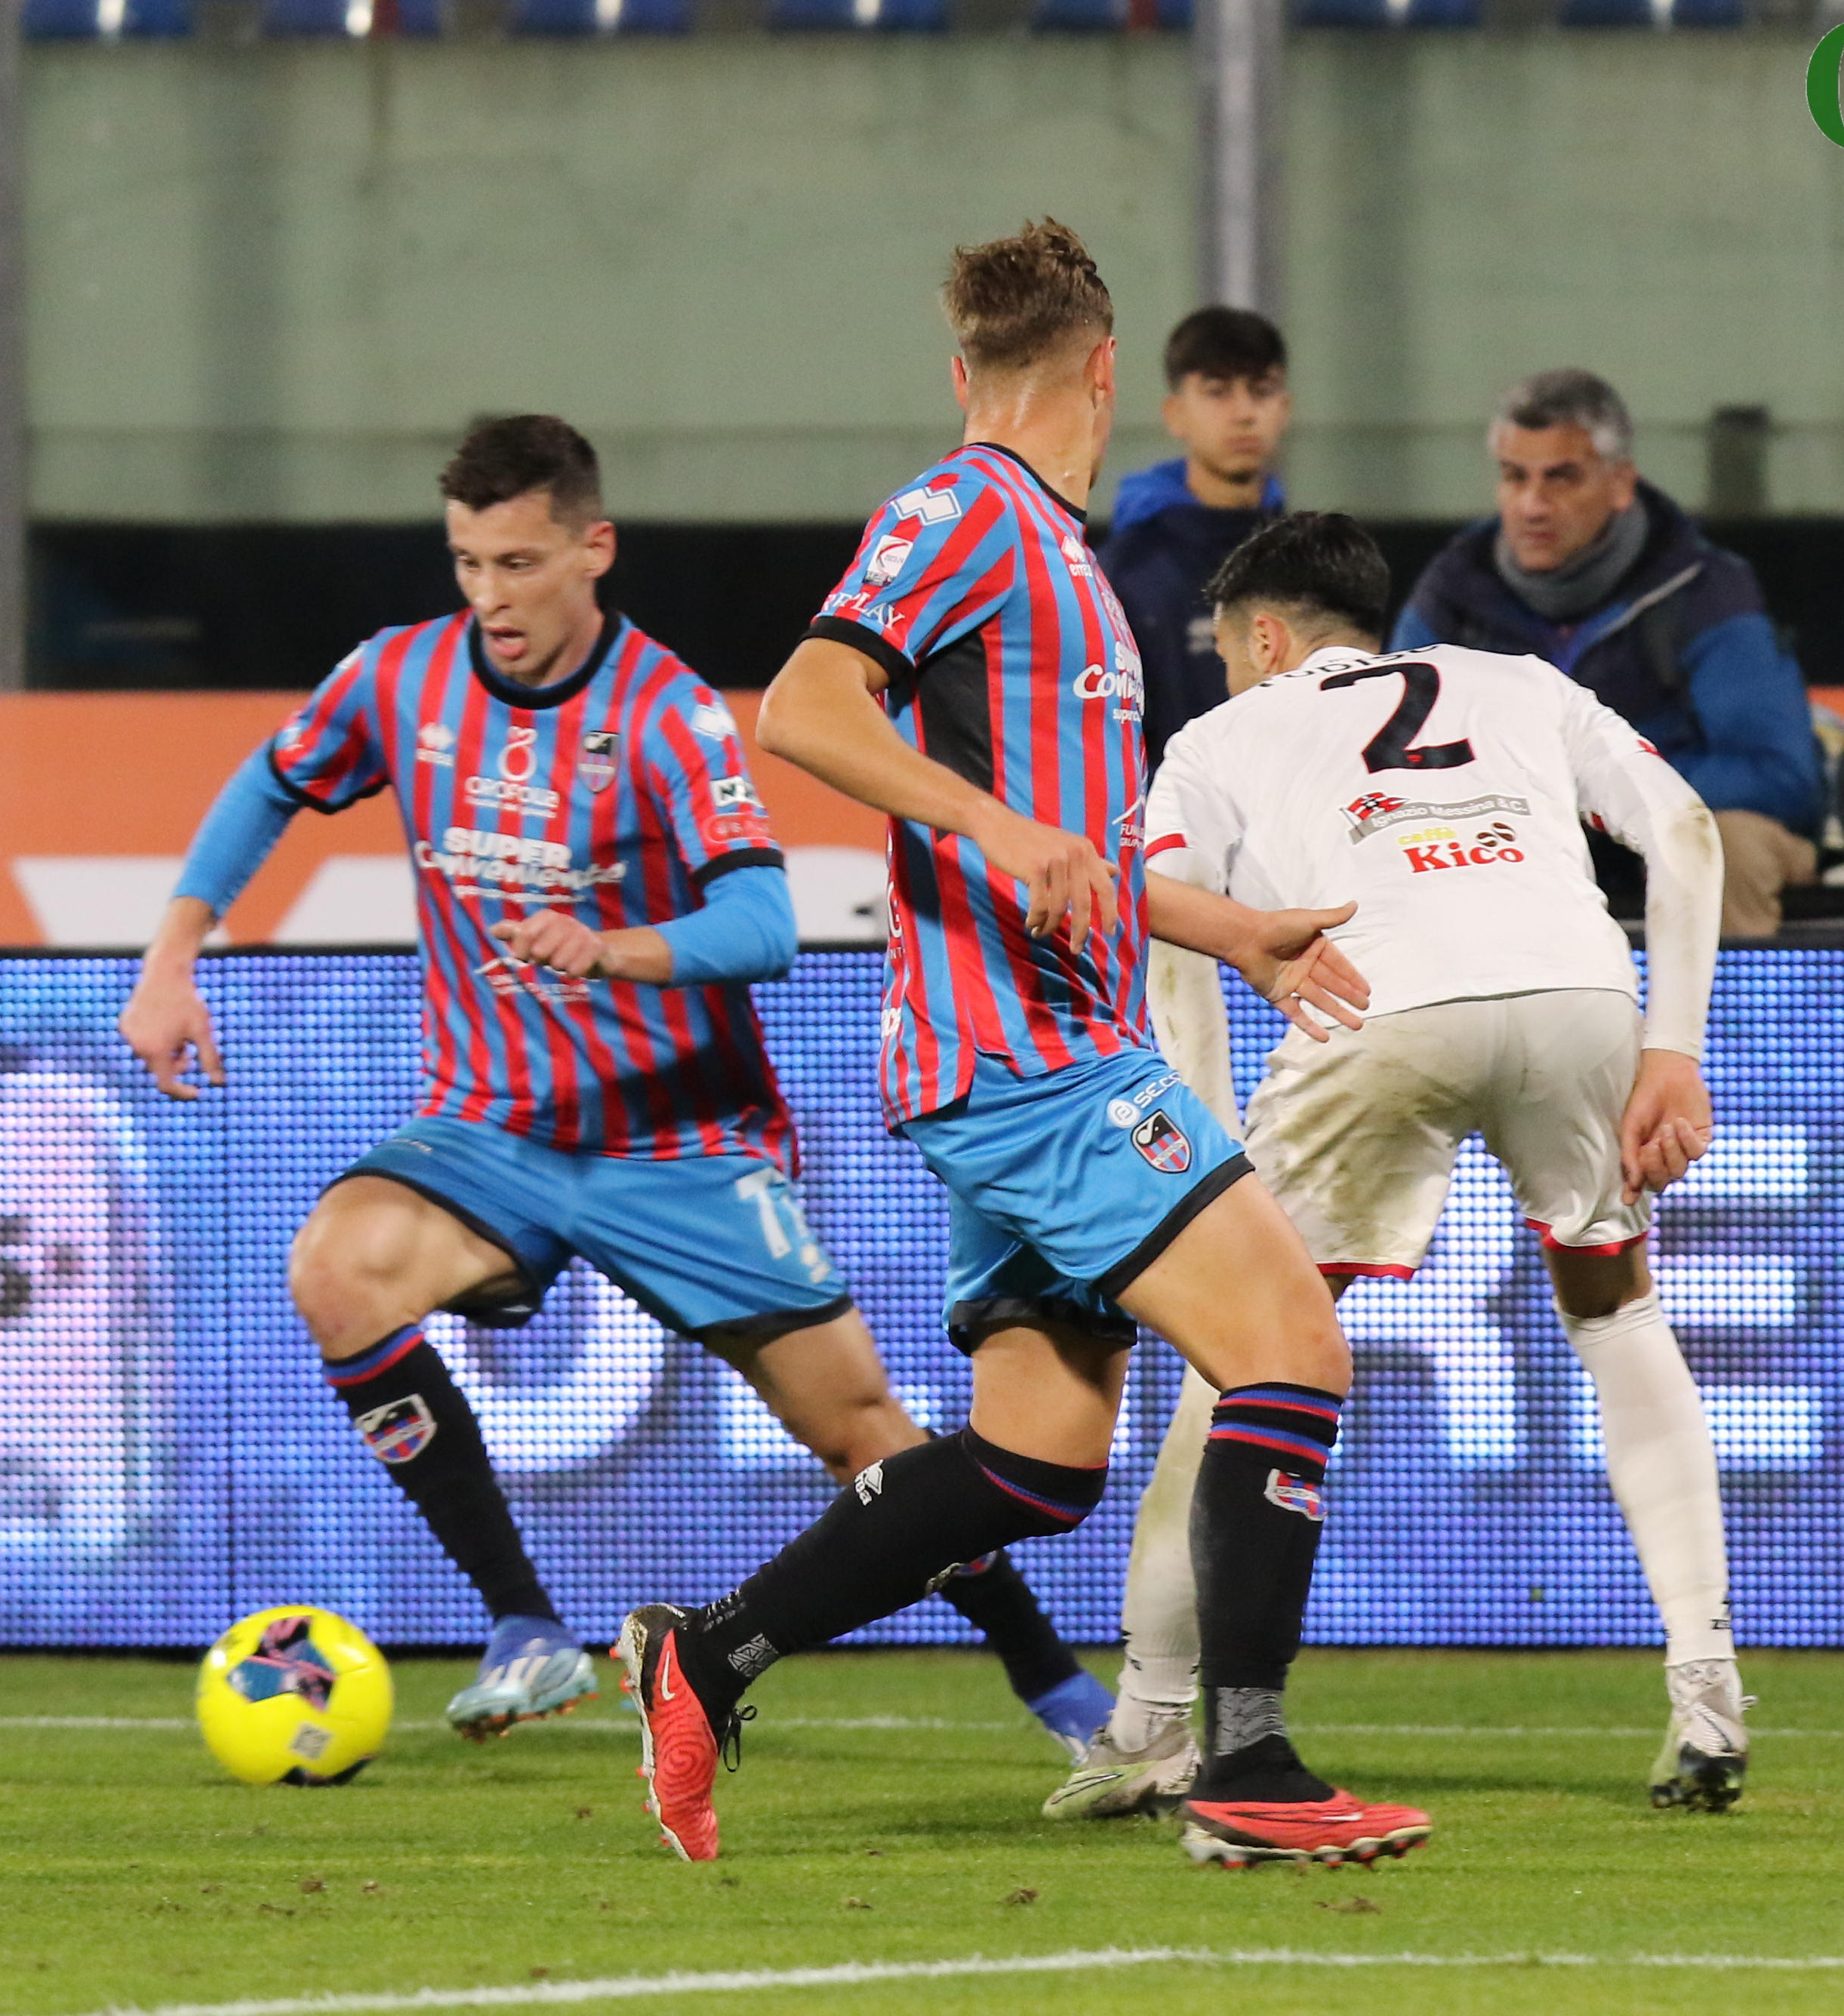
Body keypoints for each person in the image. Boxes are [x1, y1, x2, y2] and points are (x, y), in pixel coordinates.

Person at [614, 221, 1433, 1870]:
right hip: (1032, 1059)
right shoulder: (967, 513)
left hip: (1039, 1044)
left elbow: (1074, 850)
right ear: (1109, 372)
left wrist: (1227, 928)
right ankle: (1250, 1768)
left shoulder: (1060, 560)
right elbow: (803, 707)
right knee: (1290, 1347)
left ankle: (708, 1657)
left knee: (1034, 1462)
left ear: (963, 363)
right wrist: (992, 825)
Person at [116, 414, 1106, 1756]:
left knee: (863, 1433)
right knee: (336, 1271)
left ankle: (1055, 1687)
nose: (490, 596)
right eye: (469, 563)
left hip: (676, 1144)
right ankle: (527, 1628)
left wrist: (616, 949)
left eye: (519, 563)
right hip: (491, 1128)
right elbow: (269, 784)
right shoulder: (400, 678)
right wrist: (172, 954)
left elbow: (764, 923)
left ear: (594, 548)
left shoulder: (666, 711)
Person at [1045, 511, 1751, 1820]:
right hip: (1578, 993)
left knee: (1241, 1351)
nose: (1225, 671)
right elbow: (1689, 831)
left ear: (1265, 637)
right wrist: (1675, 1049)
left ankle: (1149, 1718)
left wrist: (1205, 1141)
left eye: (1225, 650)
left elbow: (1169, 927)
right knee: (1615, 1308)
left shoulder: (1218, 737)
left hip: (1374, 1002)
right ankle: (1707, 1691)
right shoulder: (1521, 683)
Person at [1391, 369, 1824, 937]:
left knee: (1722, 847)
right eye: (1515, 477)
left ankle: (1717, 1000)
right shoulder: (1454, 591)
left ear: (1620, 484)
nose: (1532, 505)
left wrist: (1606, 779)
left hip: (1668, 826)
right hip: (1519, 834)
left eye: (1561, 478)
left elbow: (1782, 780)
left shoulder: (1705, 591)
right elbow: (1389, 765)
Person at [1097, 306, 1292, 769]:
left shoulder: (1313, 563)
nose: (1244, 413)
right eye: (1217, 392)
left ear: (1285, 409)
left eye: (1261, 391)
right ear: (1175, 414)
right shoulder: (1124, 575)